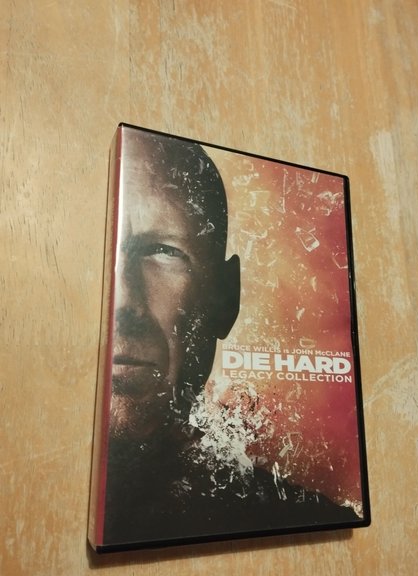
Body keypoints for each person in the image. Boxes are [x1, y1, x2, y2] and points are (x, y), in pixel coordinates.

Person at [102, 128, 359, 546]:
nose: (125, 301)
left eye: (163, 251)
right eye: (108, 254)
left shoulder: (304, 518)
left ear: (226, 298)